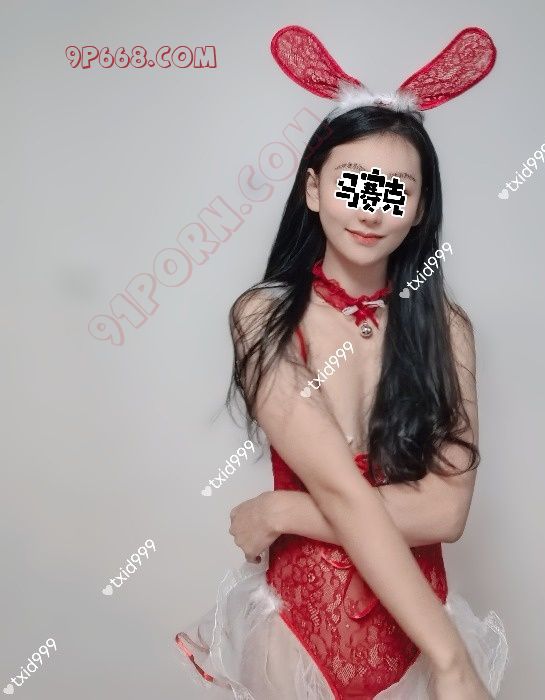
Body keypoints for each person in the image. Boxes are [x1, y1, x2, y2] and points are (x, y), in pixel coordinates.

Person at [173, 25, 508, 699]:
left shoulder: (446, 329)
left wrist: (282, 511)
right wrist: (453, 661)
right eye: (353, 184)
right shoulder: (265, 317)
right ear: (313, 189)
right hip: (300, 633)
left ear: (419, 209)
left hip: (415, 633)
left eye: (395, 191)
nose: (371, 209)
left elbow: (445, 514)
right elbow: (339, 488)